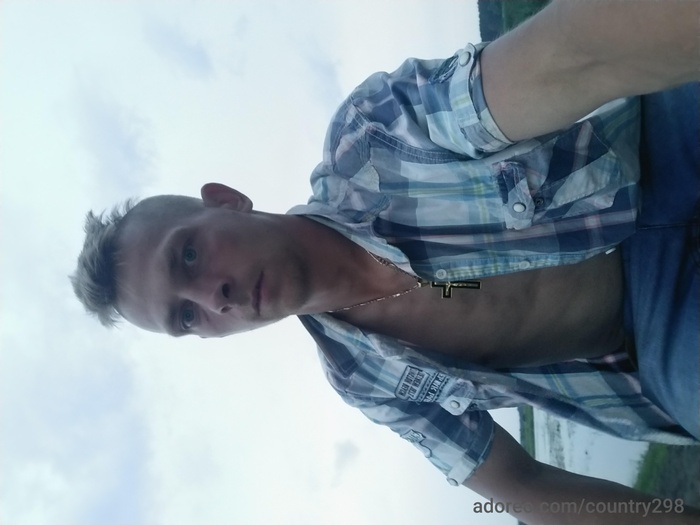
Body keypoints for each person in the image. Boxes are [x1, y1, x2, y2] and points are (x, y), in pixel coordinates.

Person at [71, 1, 700, 523]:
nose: (215, 298)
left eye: (188, 256)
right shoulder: (365, 380)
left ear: (227, 201)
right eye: (186, 318)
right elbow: (523, 486)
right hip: (658, 334)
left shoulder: (372, 137)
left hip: (661, 161)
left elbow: (569, 58)